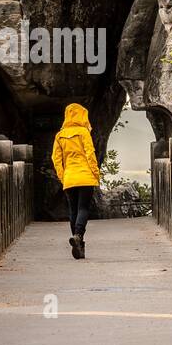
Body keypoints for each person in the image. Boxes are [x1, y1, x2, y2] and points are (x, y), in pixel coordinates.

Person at [51, 102, 100, 259]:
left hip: (70, 178)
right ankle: (78, 235)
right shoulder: (84, 132)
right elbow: (90, 154)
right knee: (83, 208)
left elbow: (56, 159)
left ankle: (79, 243)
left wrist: (62, 176)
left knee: (73, 211)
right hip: (85, 176)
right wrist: (95, 174)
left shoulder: (60, 135)